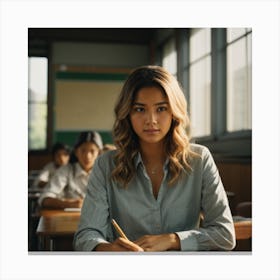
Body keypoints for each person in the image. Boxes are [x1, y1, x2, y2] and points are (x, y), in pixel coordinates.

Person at [74, 66, 236, 252]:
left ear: (174, 112)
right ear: (127, 113)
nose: (151, 120)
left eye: (161, 108)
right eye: (140, 109)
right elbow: (86, 236)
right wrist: (108, 249)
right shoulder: (106, 164)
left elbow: (225, 234)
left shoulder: (200, 159)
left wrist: (173, 239)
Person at [38, 131, 103, 209]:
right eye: (83, 150)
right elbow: (44, 199)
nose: (87, 156)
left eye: (92, 151)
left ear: (99, 153)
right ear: (76, 152)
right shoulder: (66, 171)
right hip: (70, 219)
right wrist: (68, 204)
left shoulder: (104, 172)